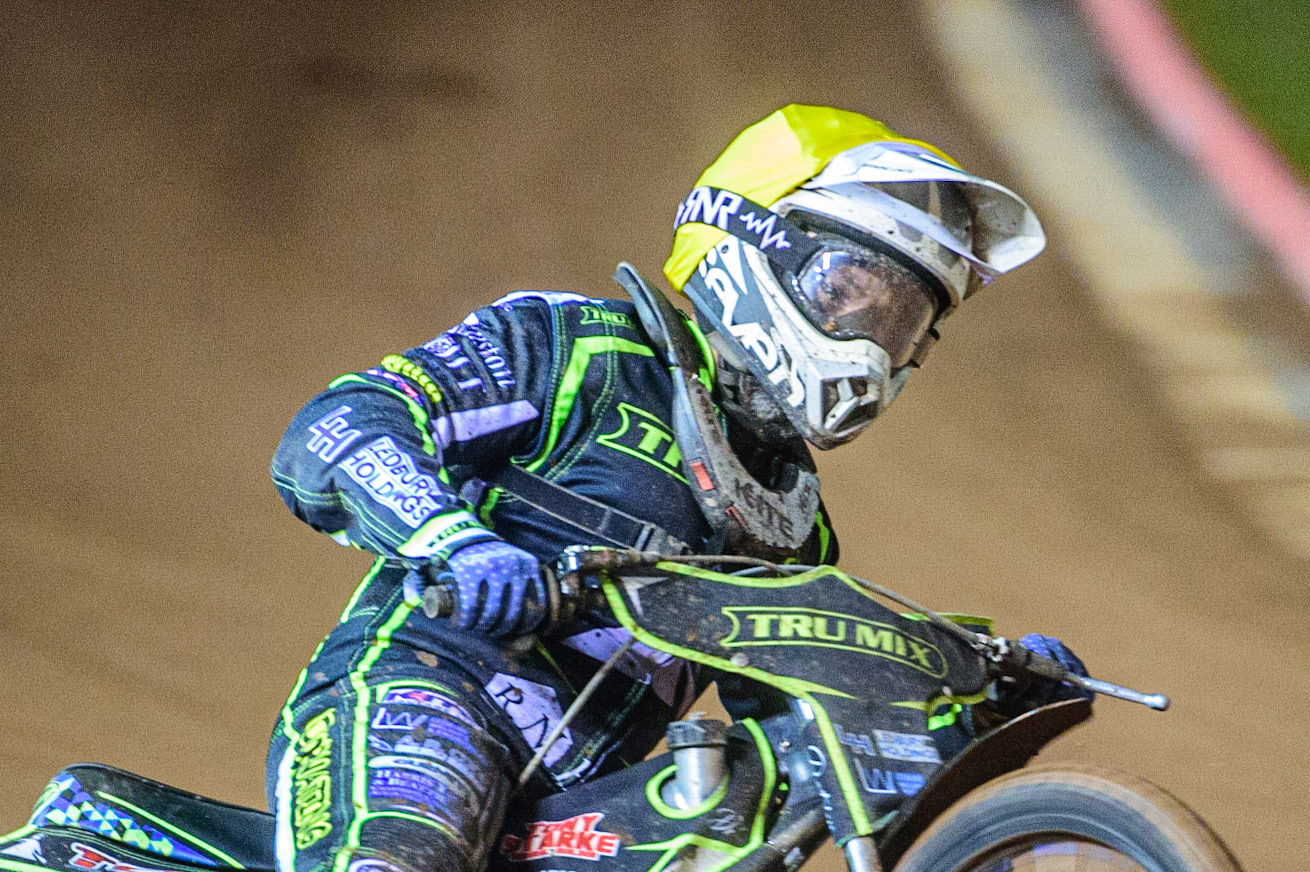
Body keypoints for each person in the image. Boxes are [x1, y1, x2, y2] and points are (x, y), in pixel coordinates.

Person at [265, 104, 1086, 872]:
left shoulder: (794, 522)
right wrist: (457, 543)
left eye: (900, 324)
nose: (871, 346)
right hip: (417, 701)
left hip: (577, 805)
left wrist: (975, 699)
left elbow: (822, 737)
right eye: (846, 293)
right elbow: (340, 425)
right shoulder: (582, 349)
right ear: (752, 246)